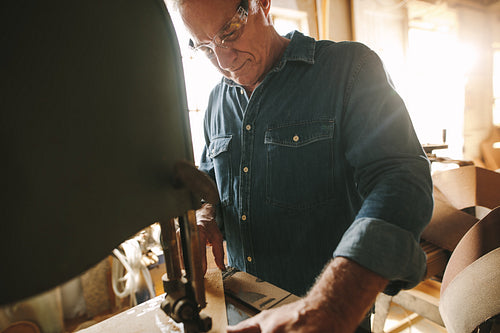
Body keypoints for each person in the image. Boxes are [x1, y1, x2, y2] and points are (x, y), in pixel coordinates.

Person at [173, 0, 434, 331]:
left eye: (230, 31)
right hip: (244, 308)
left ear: (262, 4)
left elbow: (401, 182)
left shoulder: (349, 69)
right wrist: (205, 215)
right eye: (206, 48)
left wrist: (331, 306)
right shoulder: (216, 102)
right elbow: (209, 177)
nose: (224, 60)